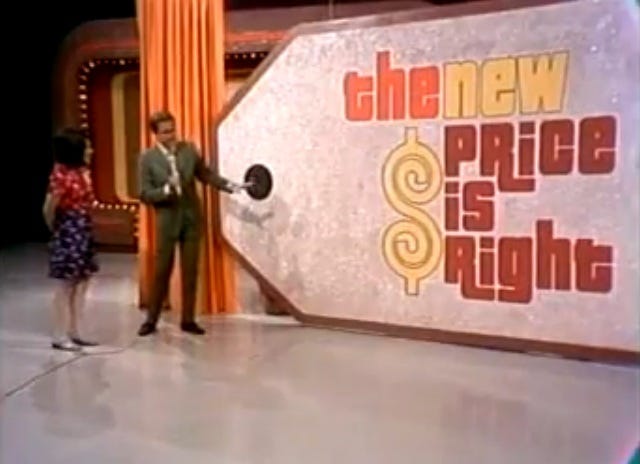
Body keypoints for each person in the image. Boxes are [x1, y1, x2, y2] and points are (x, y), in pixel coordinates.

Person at [137, 110, 248, 337]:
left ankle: (188, 319)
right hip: (167, 220)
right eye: (165, 132)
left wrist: (230, 186)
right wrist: (166, 190)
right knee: (162, 271)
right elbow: (144, 193)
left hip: (191, 219)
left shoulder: (188, 150)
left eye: (172, 130)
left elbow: (206, 175)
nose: (171, 135)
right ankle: (151, 320)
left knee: (191, 271)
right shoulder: (147, 159)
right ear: (155, 134)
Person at [43, 128, 99, 351]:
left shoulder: (83, 172)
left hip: (83, 229)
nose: (91, 151)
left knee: (82, 282)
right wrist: (58, 231)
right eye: (87, 147)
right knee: (65, 285)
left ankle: (75, 331)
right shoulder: (60, 174)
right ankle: (59, 335)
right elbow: (49, 208)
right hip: (69, 231)